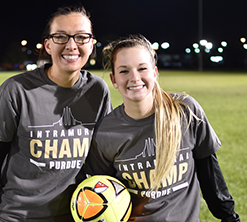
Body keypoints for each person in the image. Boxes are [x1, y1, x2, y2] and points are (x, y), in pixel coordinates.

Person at [84, 34, 240, 222]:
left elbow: (210, 174)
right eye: (124, 71)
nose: (135, 78)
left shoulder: (185, 110)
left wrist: (229, 217)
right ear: (114, 79)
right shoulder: (105, 132)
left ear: (154, 72)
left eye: (142, 68)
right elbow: (103, 191)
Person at [0, 5, 112, 222]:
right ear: (48, 45)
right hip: (18, 216)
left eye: (81, 37)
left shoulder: (97, 90)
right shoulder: (15, 91)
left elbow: (102, 159)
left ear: (91, 44)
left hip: (75, 216)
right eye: (61, 37)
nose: (71, 45)